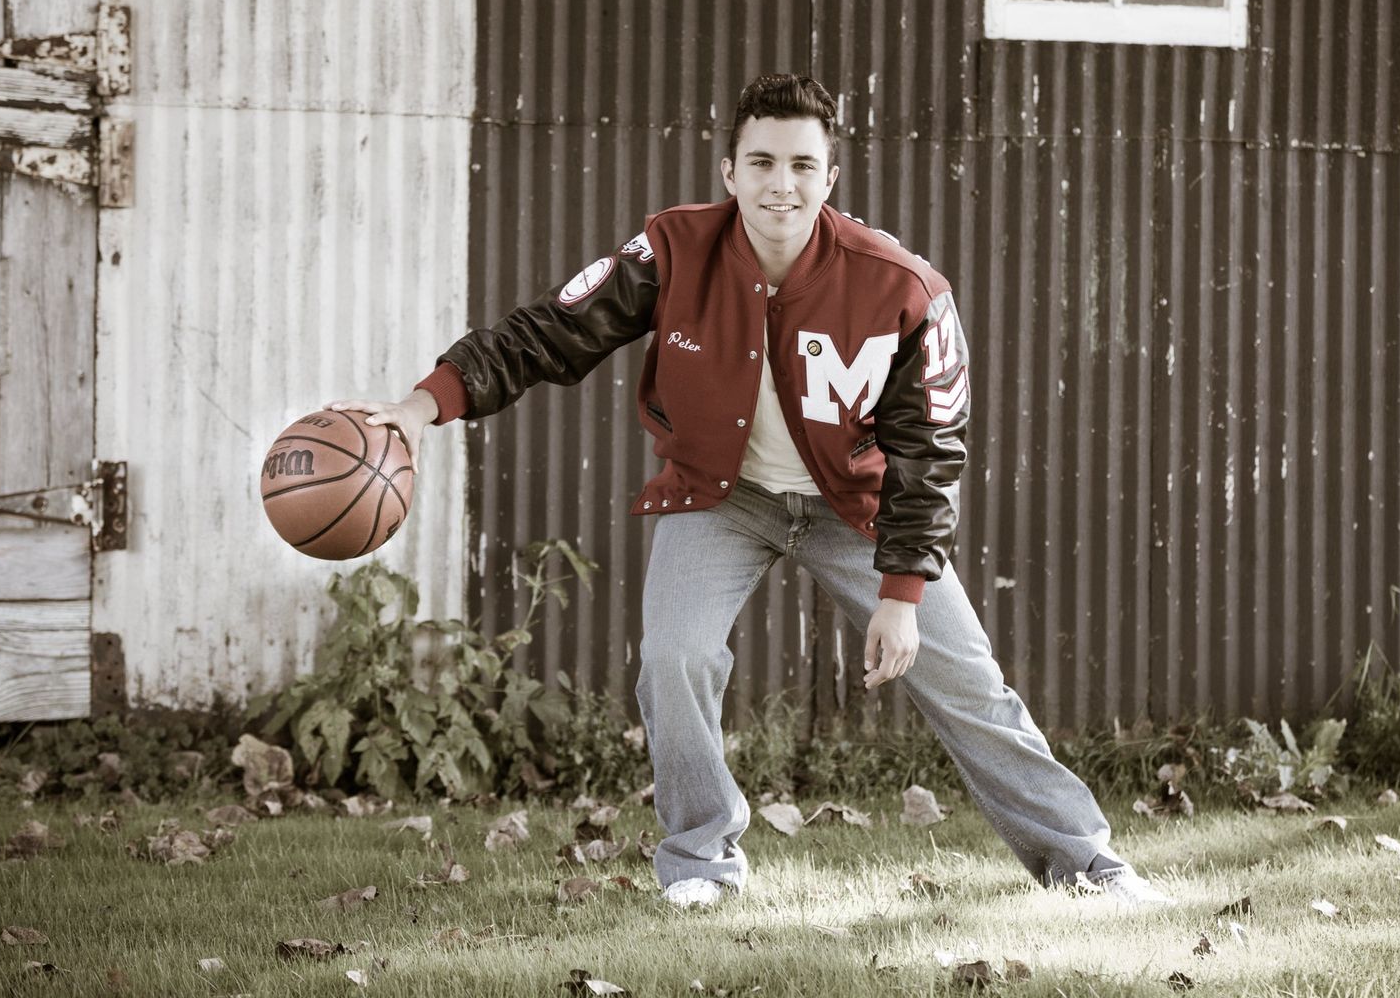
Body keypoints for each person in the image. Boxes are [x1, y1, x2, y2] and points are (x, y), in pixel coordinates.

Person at [329, 73, 1172, 910]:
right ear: (729, 172)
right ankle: (701, 861)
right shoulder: (671, 251)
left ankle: (1085, 862)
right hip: (722, 497)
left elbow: (931, 447)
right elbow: (548, 332)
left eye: (803, 166)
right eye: (762, 162)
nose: (782, 184)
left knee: (968, 682)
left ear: (830, 177)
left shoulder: (902, 288)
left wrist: (903, 590)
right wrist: (418, 406)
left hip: (860, 512)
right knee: (675, 659)